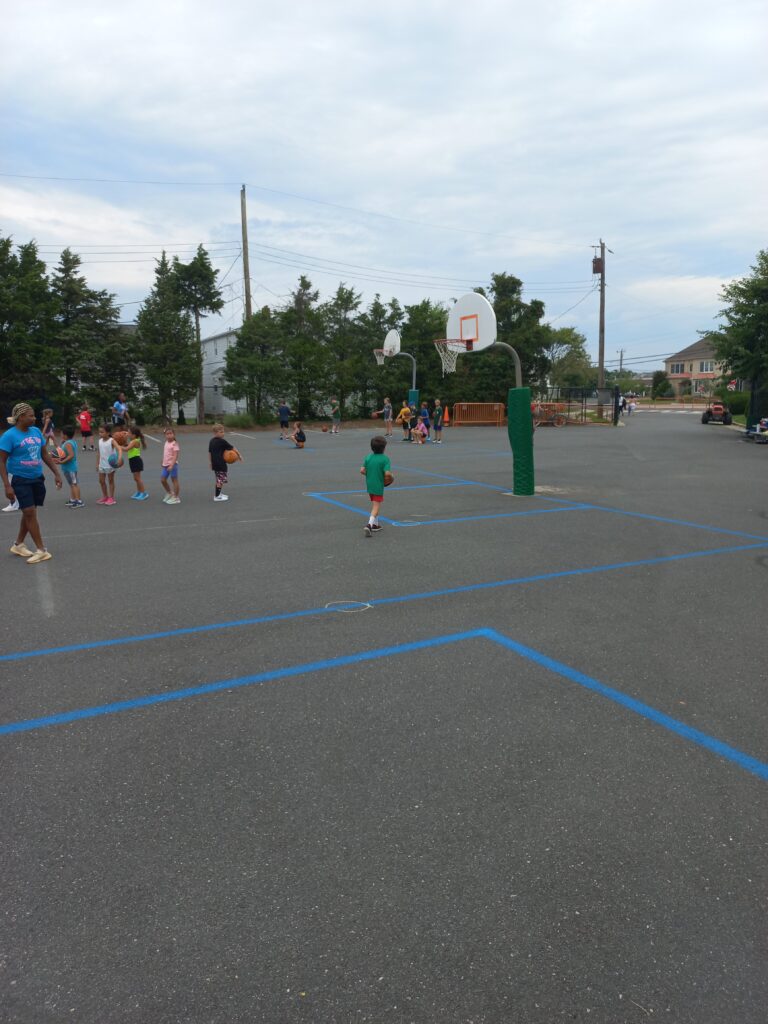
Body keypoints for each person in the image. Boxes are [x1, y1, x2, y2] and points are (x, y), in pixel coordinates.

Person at [0, 402, 63, 563]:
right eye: (31, 416)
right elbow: (1, 461)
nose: (34, 418)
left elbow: (44, 454)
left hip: (36, 477)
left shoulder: (35, 432)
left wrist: (56, 473)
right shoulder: (9, 436)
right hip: (19, 478)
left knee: (30, 512)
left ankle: (19, 544)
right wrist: (7, 485)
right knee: (29, 511)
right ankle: (41, 550)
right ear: (21, 417)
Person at [360, 435, 391, 538]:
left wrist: (370, 474)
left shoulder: (368, 457)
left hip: (369, 484)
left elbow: (362, 470)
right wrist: (391, 477)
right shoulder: (385, 459)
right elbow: (387, 474)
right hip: (378, 485)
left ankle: (375, 525)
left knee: (374, 503)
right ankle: (369, 525)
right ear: (384, 448)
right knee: (376, 506)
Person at [56, 425, 84, 507]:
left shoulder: (68, 443)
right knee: (72, 484)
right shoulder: (69, 442)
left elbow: (71, 455)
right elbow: (63, 452)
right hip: (68, 468)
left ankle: (79, 501)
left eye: (61, 433)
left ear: (65, 435)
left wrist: (62, 462)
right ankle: (73, 499)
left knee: (74, 484)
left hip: (70, 468)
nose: (60, 434)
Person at [209, 423, 236, 501]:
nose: (223, 433)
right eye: (221, 432)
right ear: (215, 433)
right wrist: (239, 455)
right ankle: (217, 496)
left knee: (218, 479)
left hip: (215, 464)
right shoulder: (222, 441)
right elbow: (232, 448)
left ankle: (219, 494)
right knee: (220, 481)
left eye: (223, 431)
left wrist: (210, 462)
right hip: (220, 464)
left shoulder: (211, 441)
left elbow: (209, 453)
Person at [120, 426, 148, 500]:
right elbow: (127, 445)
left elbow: (126, 449)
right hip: (132, 460)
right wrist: (124, 436)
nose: (127, 434)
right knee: (136, 478)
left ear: (134, 435)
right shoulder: (134, 440)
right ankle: (139, 492)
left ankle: (144, 493)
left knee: (138, 478)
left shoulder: (135, 441)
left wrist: (118, 446)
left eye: (129, 433)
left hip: (136, 460)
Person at [96, 423, 120, 505]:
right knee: (101, 481)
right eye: (99, 432)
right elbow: (98, 453)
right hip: (102, 465)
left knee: (110, 481)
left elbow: (119, 449)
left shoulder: (111, 441)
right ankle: (105, 496)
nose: (100, 434)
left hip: (110, 465)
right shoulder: (99, 441)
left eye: (102, 432)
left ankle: (111, 498)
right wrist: (97, 463)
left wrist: (119, 458)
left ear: (108, 433)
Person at [161, 427, 181, 503]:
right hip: (165, 465)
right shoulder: (166, 442)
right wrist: (163, 461)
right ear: (165, 435)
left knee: (174, 480)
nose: (169, 435)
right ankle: (170, 493)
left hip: (173, 465)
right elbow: (166, 453)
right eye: (167, 434)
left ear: (174, 434)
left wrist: (172, 465)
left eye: (170, 433)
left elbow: (175, 456)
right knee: (163, 480)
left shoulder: (175, 444)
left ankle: (176, 497)